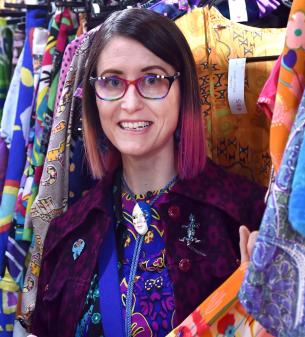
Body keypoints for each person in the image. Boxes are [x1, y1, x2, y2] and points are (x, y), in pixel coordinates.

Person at [30, 8, 265, 337]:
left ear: (183, 91)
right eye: (113, 81)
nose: (130, 103)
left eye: (152, 79)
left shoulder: (243, 216)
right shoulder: (69, 230)